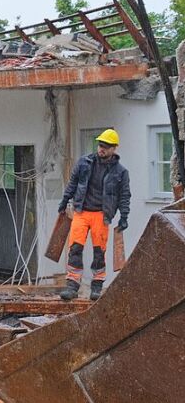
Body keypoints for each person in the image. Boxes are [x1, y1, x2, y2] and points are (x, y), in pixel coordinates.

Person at [57, 129, 130, 301]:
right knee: (75, 249)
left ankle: (96, 287)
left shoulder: (121, 172)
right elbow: (73, 183)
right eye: (100, 145)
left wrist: (124, 217)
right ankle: (72, 286)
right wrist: (64, 201)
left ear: (114, 149)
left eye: (105, 146)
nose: (101, 149)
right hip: (81, 212)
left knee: (99, 252)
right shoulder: (84, 163)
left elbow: (124, 195)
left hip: (101, 215)